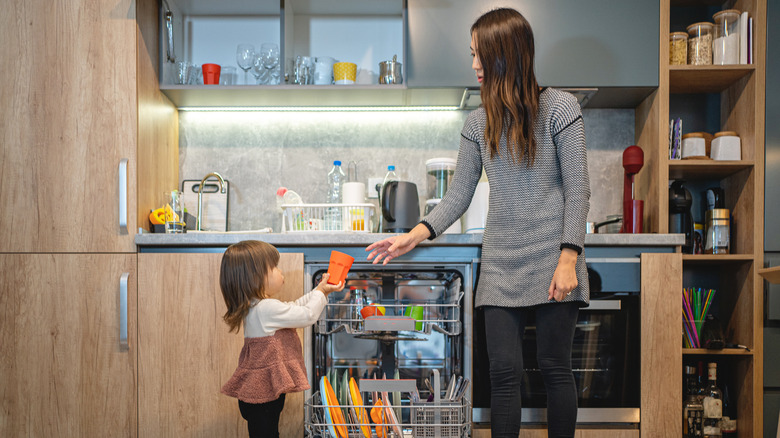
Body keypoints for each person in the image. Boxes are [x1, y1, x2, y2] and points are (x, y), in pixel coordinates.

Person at [366, 7, 590, 438]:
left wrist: (568, 259)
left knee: (554, 369)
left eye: (479, 55)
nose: (473, 65)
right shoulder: (477, 122)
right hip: (502, 261)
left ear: (505, 55)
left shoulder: (562, 109)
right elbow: (459, 194)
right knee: (504, 375)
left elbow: (578, 189)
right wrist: (413, 234)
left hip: (553, 257)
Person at [218, 240, 343, 438]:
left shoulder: (258, 307)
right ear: (256, 276)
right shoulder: (266, 308)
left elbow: (294, 307)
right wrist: (320, 292)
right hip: (263, 397)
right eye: (274, 267)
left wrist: (321, 290)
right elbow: (307, 316)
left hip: (259, 395)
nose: (280, 271)